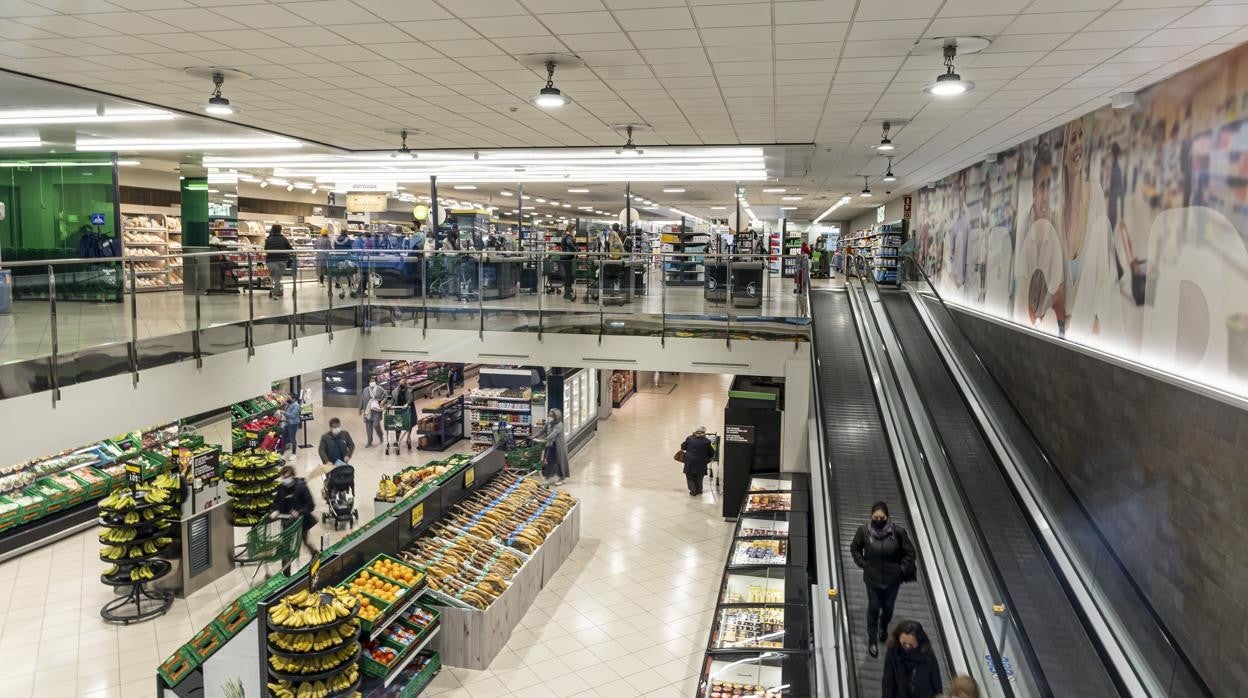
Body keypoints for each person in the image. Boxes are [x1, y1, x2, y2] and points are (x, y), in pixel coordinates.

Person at [850, 501, 916, 657]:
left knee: (888, 608)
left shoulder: (897, 532)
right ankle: (872, 639)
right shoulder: (863, 532)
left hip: (893, 581)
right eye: (876, 517)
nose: (879, 521)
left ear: (887, 517)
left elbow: (910, 552)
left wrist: (902, 570)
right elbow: (855, 548)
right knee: (873, 608)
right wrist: (863, 564)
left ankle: (883, 627)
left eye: (882, 518)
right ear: (871, 516)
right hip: (872, 580)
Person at [881, 620, 942, 698]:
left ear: (919, 640)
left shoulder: (927, 654)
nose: (907, 647)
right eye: (903, 643)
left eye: (911, 644)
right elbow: (888, 681)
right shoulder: (893, 652)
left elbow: (935, 679)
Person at [272, 464, 318, 567]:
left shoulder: (301, 487)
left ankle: (315, 553)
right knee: (286, 545)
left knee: (304, 541)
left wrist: (299, 512)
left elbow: (310, 505)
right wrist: (275, 511)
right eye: (283, 478)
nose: (285, 480)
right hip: (287, 522)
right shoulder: (281, 488)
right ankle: (286, 571)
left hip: (302, 521)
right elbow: (276, 502)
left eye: (287, 477)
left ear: (293, 476)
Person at [680, 426, 716, 496]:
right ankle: (699, 490)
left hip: (690, 461)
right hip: (701, 462)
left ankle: (693, 490)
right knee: (700, 476)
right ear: (704, 433)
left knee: (690, 476)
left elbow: (683, 447)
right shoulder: (707, 441)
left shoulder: (690, 438)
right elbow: (711, 452)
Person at [541, 408, 569, 485]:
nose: (549, 417)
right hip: (550, 445)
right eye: (549, 415)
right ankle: (547, 477)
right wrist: (535, 436)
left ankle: (562, 477)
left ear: (556, 417)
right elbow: (543, 430)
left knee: (560, 462)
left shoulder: (559, 424)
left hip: (558, 446)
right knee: (548, 461)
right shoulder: (549, 423)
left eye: (551, 416)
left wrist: (545, 439)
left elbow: (554, 433)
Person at [264, 223, 293, 299]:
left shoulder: (268, 239)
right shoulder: (284, 239)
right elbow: (291, 249)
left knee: (274, 278)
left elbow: (266, 249)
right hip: (281, 261)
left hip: (270, 262)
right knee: (277, 278)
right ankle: (275, 294)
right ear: (280, 230)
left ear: (272, 230)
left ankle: (276, 291)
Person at [359, 377, 388, 447]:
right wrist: (360, 408)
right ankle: (369, 441)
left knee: (376, 425)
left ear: (376, 382)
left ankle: (380, 435)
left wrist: (382, 402)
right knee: (368, 427)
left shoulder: (380, 389)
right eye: (371, 381)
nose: (372, 382)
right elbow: (362, 399)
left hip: (376, 410)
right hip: (368, 410)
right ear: (369, 382)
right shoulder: (365, 390)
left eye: (373, 381)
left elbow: (386, 396)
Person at [559, 225, 577, 300]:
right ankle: (567, 293)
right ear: (571, 229)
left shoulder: (565, 235)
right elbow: (569, 244)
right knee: (568, 276)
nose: (575, 231)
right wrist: (575, 251)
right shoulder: (569, 236)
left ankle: (568, 290)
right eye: (574, 229)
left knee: (568, 275)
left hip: (564, 257)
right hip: (567, 258)